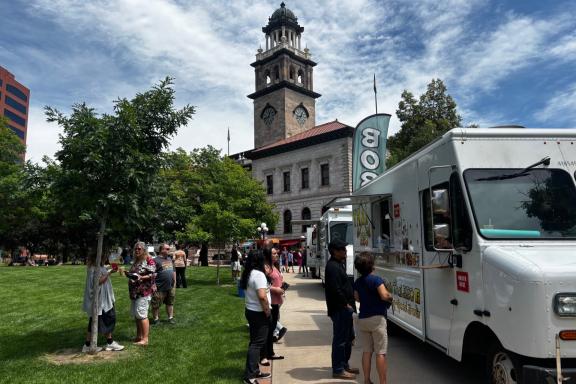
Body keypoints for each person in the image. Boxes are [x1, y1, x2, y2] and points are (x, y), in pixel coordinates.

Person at [353, 252, 393, 384]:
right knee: (380, 352)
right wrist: (390, 296)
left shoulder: (358, 282)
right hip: (377, 319)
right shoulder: (376, 280)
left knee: (367, 351)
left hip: (363, 319)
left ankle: (366, 380)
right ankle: (383, 382)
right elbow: (384, 295)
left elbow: (357, 298)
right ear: (372, 266)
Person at [324, 238, 358, 380]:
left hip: (345, 308)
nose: (345, 251)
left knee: (349, 338)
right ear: (334, 251)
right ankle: (338, 369)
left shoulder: (338, 264)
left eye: (345, 248)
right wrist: (346, 304)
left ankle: (344, 364)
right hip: (340, 309)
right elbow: (335, 290)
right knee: (340, 339)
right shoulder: (332, 267)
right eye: (342, 249)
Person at [240, 250, 272, 384]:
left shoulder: (248, 273)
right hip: (259, 313)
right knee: (257, 344)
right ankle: (250, 376)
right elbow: (262, 296)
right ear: (260, 260)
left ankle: (254, 370)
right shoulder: (259, 275)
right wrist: (267, 312)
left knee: (254, 342)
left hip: (250, 311)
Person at [82, 253, 124, 352]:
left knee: (94, 321)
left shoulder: (97, 267)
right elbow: (98, 281)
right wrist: (109, 272)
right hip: (101, 300)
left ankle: (88, 345)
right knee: (108, 318)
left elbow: (102, 273)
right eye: (104, 256)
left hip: (102, 298)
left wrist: (109, 270)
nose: (106, 257)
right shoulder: (94, 268)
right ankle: (109, 343)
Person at [125, 241, 156, 346]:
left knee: (142, 315)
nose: (137, 250)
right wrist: (129, 274)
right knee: (137, 315)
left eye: (139, 249)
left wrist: (141, 277)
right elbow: (135, 273)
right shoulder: (136, 261)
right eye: (136, 249)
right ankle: (139, 336)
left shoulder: (148, 259)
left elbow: (153, 274)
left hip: (143, 292)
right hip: (135, 292)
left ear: (144, 250)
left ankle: (145, 339)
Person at [262, 247, 286, 364]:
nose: (277, 255)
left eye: (277, 253)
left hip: (277, 301)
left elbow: (277, 279)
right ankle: (266, 353)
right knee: (269, 328)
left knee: (272, 328)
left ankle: (270, 352)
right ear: (268, 255)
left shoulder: (273, 266)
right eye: (274, 253)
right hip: (271, 302)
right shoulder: (265, 268)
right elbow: (264, 286)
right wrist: (276, 289)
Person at [152, 244, 177, 324]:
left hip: (170, 286)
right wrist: (153, 284)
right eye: (167, 249)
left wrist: (175, 282)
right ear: (161, 250)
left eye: (169, 249)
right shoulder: (155, 260)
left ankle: (170, 318)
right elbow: (151, 273)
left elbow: (173, 271)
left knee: (170, 302)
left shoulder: (169, 259)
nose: (169, 250)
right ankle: (156, 319)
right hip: (159, 286)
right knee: (156, 304)